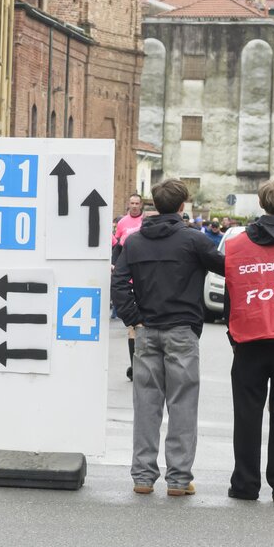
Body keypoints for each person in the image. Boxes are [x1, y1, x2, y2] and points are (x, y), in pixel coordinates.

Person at [112, 178, 225, 497]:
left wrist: (134, 319)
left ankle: (143, 477)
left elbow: (119, 283)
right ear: (181, 206)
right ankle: (178, 479)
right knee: (183, 405)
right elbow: (227, 268)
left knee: (146, 405)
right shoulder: (194, 240)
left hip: (147, 331)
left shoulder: (135, 242)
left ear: (153, 205)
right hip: (182, 331)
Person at [223, 179, 274, 501]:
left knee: (246, 415)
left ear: (261, 203)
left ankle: (245, 484)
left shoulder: (238, 244)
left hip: (249, 338)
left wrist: (233, 335)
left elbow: (232, 292)